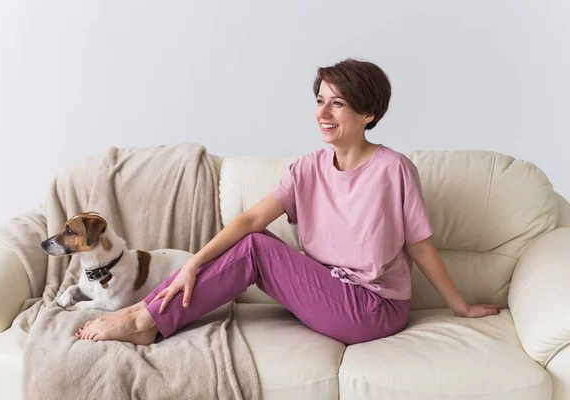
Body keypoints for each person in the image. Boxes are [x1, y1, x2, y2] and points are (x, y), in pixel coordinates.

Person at [76, 59, 501, 346]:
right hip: (326, 288)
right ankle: (145, 313)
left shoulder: (394, 170)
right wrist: (192, 263)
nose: (324, 113)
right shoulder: (307, 169)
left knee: (258, 249)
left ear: (368, 113)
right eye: (320, 101)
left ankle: (142, 321)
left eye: (339, 102)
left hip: (375, 307)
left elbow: (420, 245)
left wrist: (460, 306)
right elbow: (248, 220)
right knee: (249, 241)